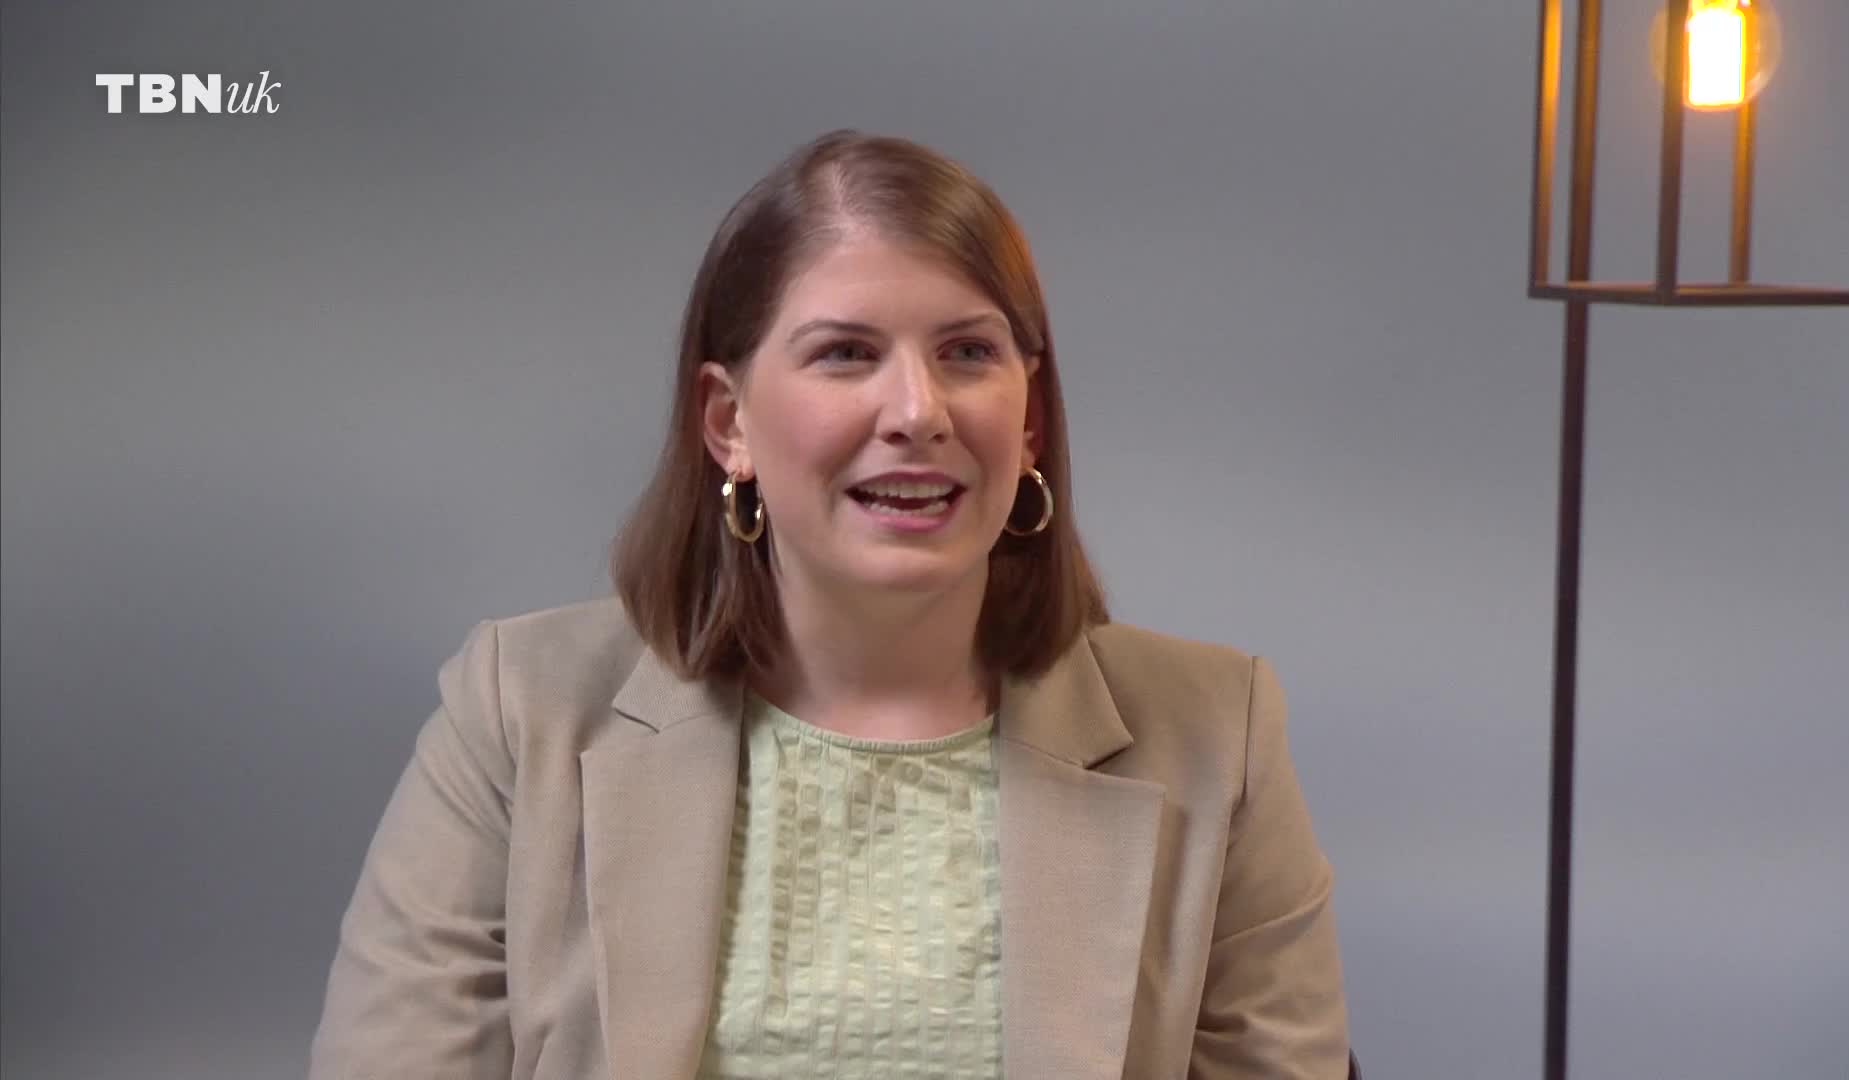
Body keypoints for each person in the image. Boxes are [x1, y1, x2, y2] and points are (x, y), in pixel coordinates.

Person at [309, 128, 1350, 1079]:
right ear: (729, 424)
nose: (917, 411)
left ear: (1029, 420)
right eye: (847, 353)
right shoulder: (515, 715)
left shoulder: (1219, 732)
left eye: (968, 352)